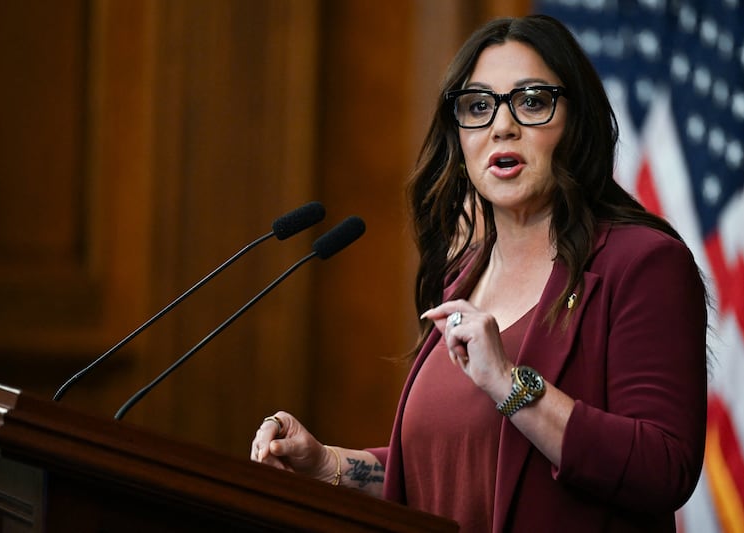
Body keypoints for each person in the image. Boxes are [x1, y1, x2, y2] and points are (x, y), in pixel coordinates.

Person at [250, 14, 708, 532]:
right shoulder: (464, 276)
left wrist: (510, 384)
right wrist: (329, 464)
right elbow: (450, 472)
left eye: (532, 101)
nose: (501, 126)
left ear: (575, 122)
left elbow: (663, 466)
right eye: (478, 107)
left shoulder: (641, 264)